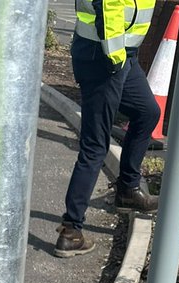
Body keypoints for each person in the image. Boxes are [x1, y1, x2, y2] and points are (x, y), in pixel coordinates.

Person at [55, 0, 160, 258]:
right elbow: (110, 4)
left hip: (124, 54)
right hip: (104, 53)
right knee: (95, 146)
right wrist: (114, 56)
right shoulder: (110, 53)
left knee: (148, 113)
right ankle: (70, 231)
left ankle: (128, 190)